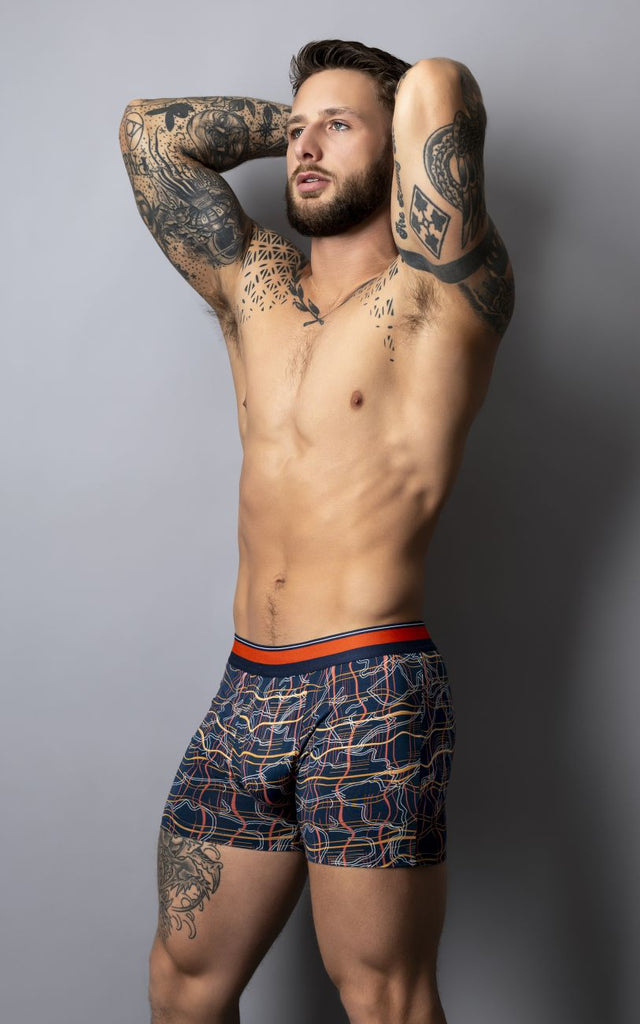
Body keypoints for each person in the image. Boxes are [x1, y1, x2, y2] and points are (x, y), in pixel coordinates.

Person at [119, 37, 514, 1024]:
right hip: (248, 684)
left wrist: (375, 114)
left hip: (370, 688)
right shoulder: (256, 286)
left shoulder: (441, 294)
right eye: (297, 130)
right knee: (183, 982)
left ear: (397, 143)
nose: (304, 146)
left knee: (381, 995)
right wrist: (309, 124)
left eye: (336, 127)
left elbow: (439, 85)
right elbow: (149, 135)